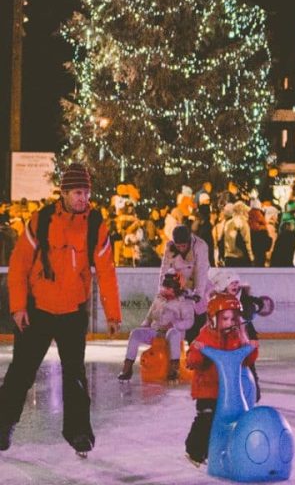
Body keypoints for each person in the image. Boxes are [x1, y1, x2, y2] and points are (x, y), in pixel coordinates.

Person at [0, 163, 121, 455]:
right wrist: (18, 307)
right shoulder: (41, 220)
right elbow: (18, 267)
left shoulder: (94, 224)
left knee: (75, 374)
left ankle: (78, 432)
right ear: (64, 193)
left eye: (87, 192)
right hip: (38, 310)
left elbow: (106, 270)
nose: (83, 198)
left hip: (72, 312)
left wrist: (113, 314)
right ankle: (3, 425)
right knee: (21, 373)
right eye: (78, 192)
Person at [184, 292, 259, 466]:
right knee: (207, 418)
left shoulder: (237, 337)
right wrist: (198, 352)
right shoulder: (206, 336)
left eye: (233, 319)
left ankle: (221, 451)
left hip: (229, 390)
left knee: (229, 421)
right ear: (213, 319)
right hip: (207, 389)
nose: (230, 323)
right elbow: (192, 360)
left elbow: (246, 362)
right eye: (225, 318)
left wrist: (251, 349)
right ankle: (194, 450)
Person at [117, 273, 195, 381]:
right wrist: (144, 326)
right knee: (135, 333)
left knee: (173, 333)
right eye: (164, 287)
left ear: (177, 288)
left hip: (173, 333)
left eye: (169, 288)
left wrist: (175, 325)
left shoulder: (184, 302)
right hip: (156, 331)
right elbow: (149, 316)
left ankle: (174, 368)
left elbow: (189, 321)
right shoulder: (159, 298)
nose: (165, 290)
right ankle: (128, 366)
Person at [162, 222, 213, 342]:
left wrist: (198, 294)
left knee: (198, 317)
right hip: (180, 287)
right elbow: (164, 270)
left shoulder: (200, 246)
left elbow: (201, 271)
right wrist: (162, 290)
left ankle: (196, 345)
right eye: (178, 246)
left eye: (183, 246)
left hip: (200, 286)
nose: (181, 248)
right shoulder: (169, 247)